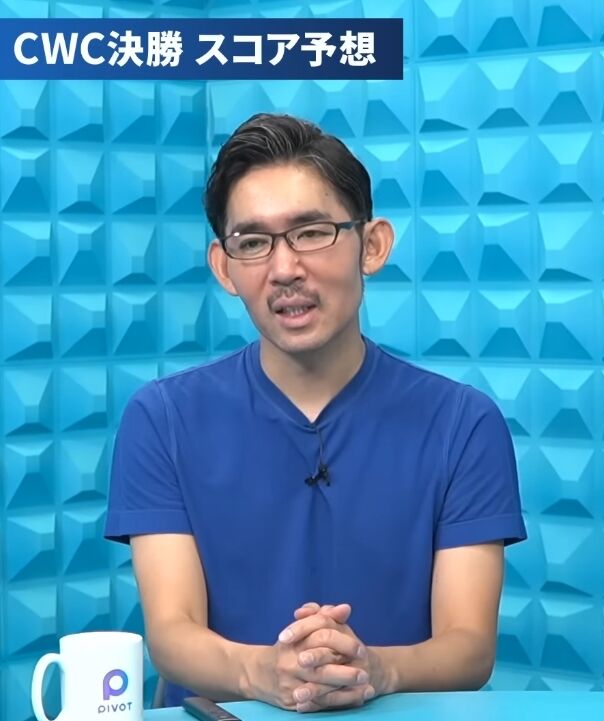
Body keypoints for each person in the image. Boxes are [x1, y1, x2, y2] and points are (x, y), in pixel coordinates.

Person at [104, 113, 527, 712]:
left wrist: (376, 671)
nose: (284, 269)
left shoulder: (463, 424)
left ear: (372, 246)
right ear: (224, 267)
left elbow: (468, 647)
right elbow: (172, 635)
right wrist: (263, 673)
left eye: (311, 232)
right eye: (253, 242)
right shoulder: (162, 419)